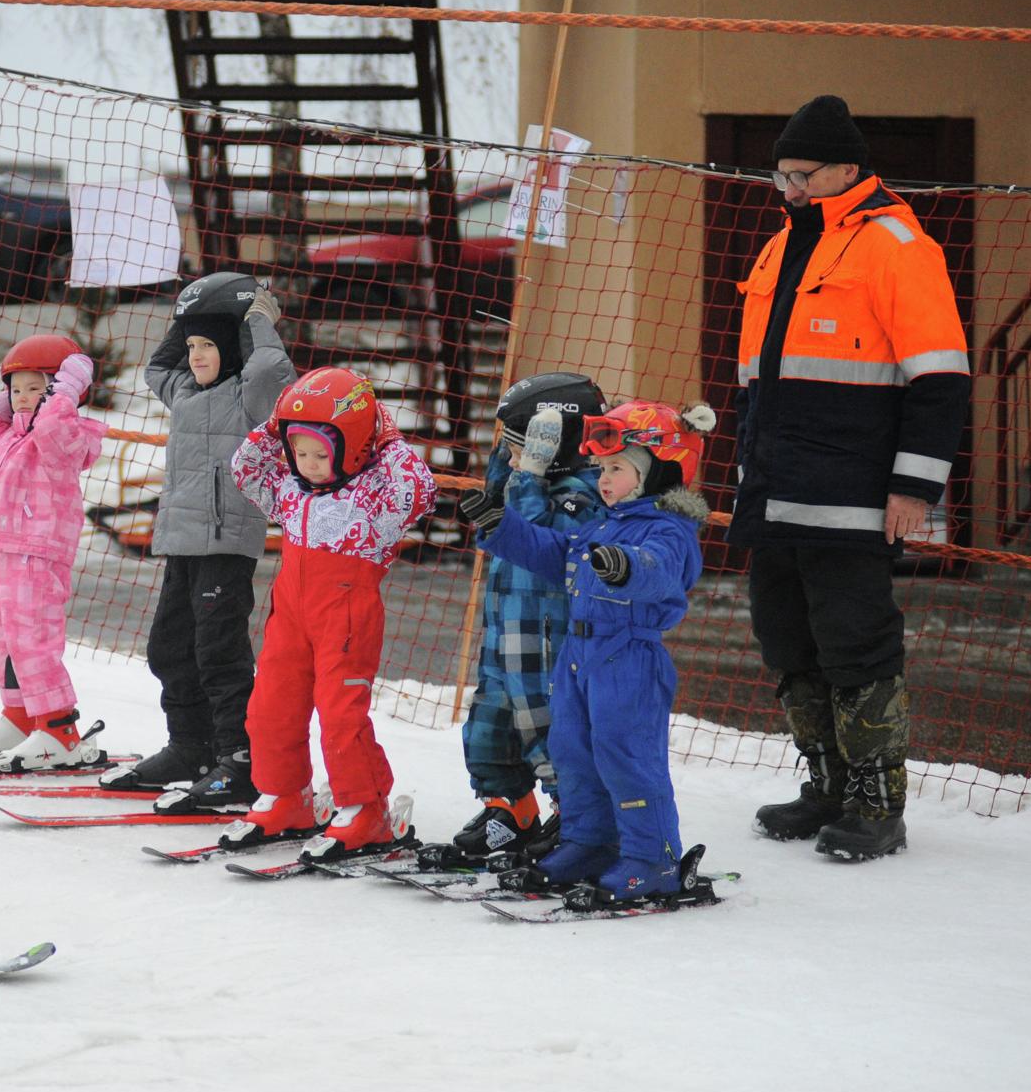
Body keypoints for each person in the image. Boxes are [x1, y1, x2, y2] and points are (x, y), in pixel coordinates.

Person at [733, 95, 969, 862]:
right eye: (781, 178)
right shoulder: (777, 249)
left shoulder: (898, 245)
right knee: (786, 638)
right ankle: (828, 783)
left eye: (801, 175)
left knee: (855, 643)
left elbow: (941, 378)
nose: (789, 190)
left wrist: (914, 489)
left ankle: (876, 801)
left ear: (847, 168)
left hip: (854, 496)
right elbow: (758, 382)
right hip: (774, 489)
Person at [472, 400, 716, 903]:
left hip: (628, 657)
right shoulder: (602, 523)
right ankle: (589, 842)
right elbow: (552, 553)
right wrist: (501, 525)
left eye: (617, 469)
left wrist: (626, 566)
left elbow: (662, 567)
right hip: (579, 654)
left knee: (625, 755)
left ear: (658, 472)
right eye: (602, 469)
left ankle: (653, 859)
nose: (604, 479)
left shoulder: (667, 528)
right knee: (573, 751)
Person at [223, 368, 439, 861]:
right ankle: (286, 796)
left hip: (345, 616)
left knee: (341, 715)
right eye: (300, 453)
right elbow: (245, 467)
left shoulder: (372, 497)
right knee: (270, 706)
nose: (311, 464)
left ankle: (366, 809)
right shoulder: (291, 490)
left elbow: (419, 490)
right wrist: (278, 421)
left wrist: (385, 435)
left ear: (357, 447)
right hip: (290, 617)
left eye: (323, 454)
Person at [101, 272, 295, 810]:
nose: (197, 355)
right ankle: (191, 747)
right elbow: (157, 365)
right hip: (182, 541)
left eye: (208, 345)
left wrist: (255, 317)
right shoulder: (184, 390)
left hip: (227, 541)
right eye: (192, 346)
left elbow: (270, 366)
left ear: (230, 348)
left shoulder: (251, 398)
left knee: (219, 653)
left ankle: (239, 757)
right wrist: (186, 318)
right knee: (168, 647)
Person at [432, 372, 608, 868]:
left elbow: (543, 543)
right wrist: (513, 467)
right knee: (489, 731)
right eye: (508, 449)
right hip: (503, 639)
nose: (512, 459)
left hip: (548, 644)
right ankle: (509, 811)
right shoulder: (518, 481)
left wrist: (528, 476)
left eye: (521, 448)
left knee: (553, 734)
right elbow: (498, 507)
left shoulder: (585, 491)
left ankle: (577, 819)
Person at [0, 334, 110, 772]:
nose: (23, 399)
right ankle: (20, 717)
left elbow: (54, 425)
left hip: (39, 550)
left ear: (62, 392)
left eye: (37, 388)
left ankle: (59, 731)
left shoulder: (68, 436)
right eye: (15, 389)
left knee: (33, 637)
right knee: (2, 637)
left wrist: (65, 393)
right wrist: (0, 406)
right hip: (2, 548)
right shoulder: (10, 436)